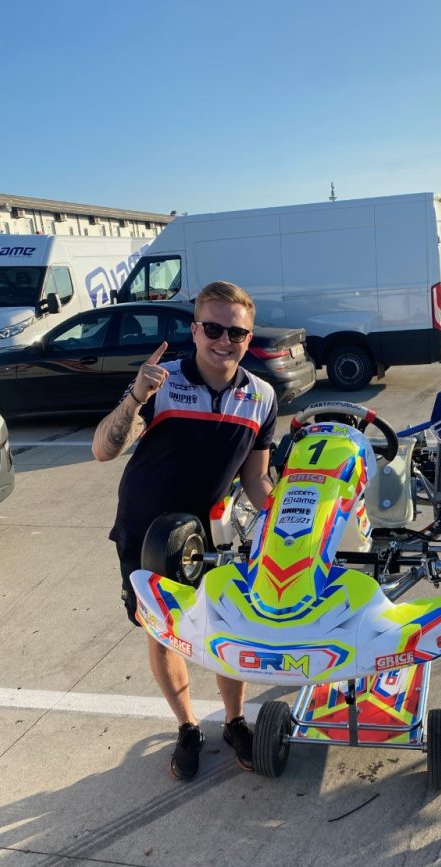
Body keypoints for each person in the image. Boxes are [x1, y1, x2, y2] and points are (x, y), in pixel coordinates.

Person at [92, 281, 277, 781]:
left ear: (249, 335)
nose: (224, 340)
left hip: (215, 534)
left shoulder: (261, 396)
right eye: (213, 328)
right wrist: (136, 396)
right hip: (148, 533)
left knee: (226, 627)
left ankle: (235, 721)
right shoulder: (163, 382)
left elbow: (256, 479)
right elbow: (103, 450)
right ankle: (188, 727)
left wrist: (284, 521)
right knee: (166, 633)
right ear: (194, 330)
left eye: (235, 332)